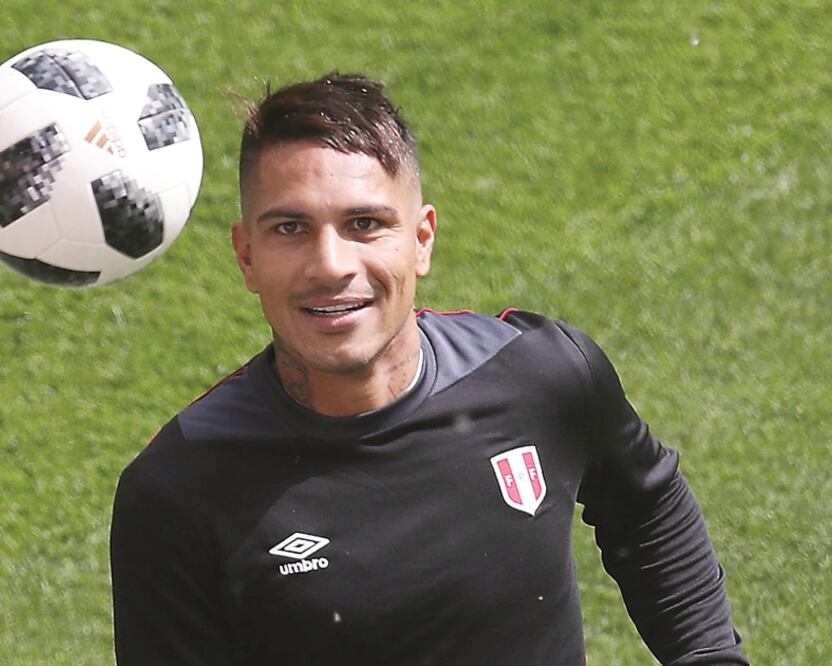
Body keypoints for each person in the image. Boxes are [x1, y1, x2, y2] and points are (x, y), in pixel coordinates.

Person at [110, 72, 748, 665]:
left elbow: (649, 504)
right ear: (247, 255)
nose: (331, 264)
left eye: (365, 223)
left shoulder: (541, 376)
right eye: (290, 229)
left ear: (421, 240)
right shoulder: (181, 488)